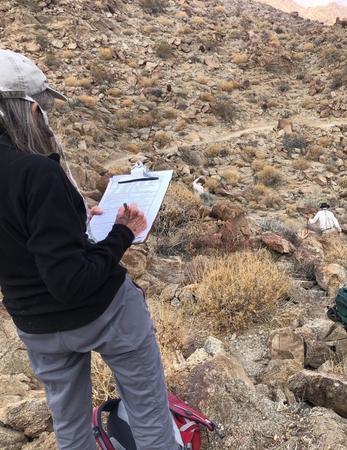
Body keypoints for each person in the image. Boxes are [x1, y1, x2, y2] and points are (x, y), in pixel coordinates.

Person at [0, 50, 181, 450]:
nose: (46, 117)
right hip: (102, 312)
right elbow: (70, 282)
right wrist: (122, 233)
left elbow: (16, 236)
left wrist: (70, 218)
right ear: (29, 110)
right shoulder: (37, 170)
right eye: (43, 107)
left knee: (71, 432)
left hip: (37, 327)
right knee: (151, 420)